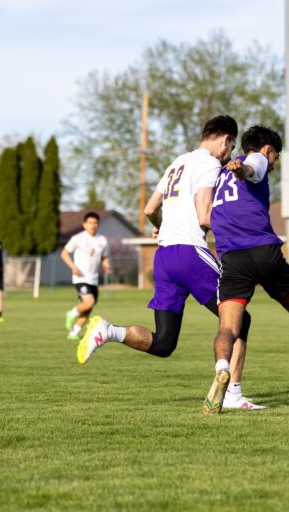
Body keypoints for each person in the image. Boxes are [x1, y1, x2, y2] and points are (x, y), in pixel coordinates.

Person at [78, 116, 264, 410]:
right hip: (191, 254)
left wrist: (161, 225)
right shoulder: (210, 165)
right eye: (230, 146)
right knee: (241, 319)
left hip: (164, 257)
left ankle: (107, 331)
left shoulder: (177, 162)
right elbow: (204, 216)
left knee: (164, 343)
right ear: (226, 140)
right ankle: (233, 395)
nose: (230, 153)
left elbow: (151, 209)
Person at [206, 125, 289, 414]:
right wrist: (243, 167)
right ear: (269, 150)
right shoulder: (255, 159)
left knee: (229, 327)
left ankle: (222, 371)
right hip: (264, 252)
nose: (272, 166)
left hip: (233, 259)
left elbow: (206, 214)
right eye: (275, 158)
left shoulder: (217, 178)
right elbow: (253, 166)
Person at [61, 212, 111, 340]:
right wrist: (73, 267)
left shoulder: (102, 240)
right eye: (89, 223)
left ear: (98, 224)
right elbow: (64, 253)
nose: (92, 225)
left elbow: (104, 256)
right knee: (89, 302)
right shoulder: (77, 238)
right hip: (80, 278)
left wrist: (106, 264)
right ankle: (71, 313)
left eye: (95, 223)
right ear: (84, 224)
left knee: (88, 309)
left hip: (93, 279)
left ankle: (73, 333)